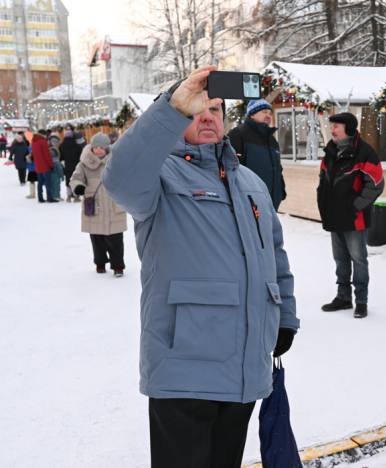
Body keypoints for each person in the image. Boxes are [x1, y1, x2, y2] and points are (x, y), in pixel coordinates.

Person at [102, 66, 300, 468]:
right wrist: (172, 109)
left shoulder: (250, 183)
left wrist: (285, 317)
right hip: (184, 371)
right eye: (196, 110)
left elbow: (275, 255)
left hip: (243, 369)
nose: (207, 117)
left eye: (215, 109)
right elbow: (119, 178)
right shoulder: (159, 176)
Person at [316, 112, 384, 319]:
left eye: (336, 126)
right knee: (340, 260)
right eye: (332, 126)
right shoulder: (330, 151)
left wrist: (355, 206)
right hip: (334, 216)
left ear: (349, 128)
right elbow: (322, 181)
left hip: (355, 218)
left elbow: (376, 184)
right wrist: (323, 205)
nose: (332, 130)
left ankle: (361, 301)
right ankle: (343, 297)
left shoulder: (364, 153)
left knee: (358, 259)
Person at [69, 133, 127, 276]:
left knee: (116, 240)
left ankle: (118, 266)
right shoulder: (84, 163)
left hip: (114, 207)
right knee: (97, 240)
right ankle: (100, 263)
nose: (99, 150)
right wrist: (78, 186)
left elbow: (127, 177)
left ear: (107, 148)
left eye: (101, 147)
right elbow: (75, 178)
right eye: (96, 147)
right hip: (95, 207)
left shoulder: (117, 161)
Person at [227, 99, 286, 210]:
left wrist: (281, 190)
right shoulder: (238, 134)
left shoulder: (272, 140)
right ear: (252, 114)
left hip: (272, 202)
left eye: (270, 113)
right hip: (248, 202)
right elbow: (230, 168)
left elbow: (278, 168)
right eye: (264, 112)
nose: (268, 116)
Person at [59, 126, 85, 202]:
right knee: (75, 179)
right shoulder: (77, 146)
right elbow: (80, 156)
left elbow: (61, 157)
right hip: (75, 165)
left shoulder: (62, 146)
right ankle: (76, 196)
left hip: (66, 165)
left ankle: (69, 196)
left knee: (68, 180)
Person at [31, 130, 53, 203]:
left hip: (38, 165)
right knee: (48, 183)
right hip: (45, 166)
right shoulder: (43, 142)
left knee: (40, 183)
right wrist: (51, 165)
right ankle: (49, 197)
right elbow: (47, 155)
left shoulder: (33, 142)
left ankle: (40, 198)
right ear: (43, 134)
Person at [48, 134, 64, 202]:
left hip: (51, 172)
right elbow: (58, 167)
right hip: (56, 173)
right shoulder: (54, 151)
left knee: (52, 185)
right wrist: (62, 175)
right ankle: (56, 196)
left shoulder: (49, 149)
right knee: (56, 185)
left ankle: (53, 195)